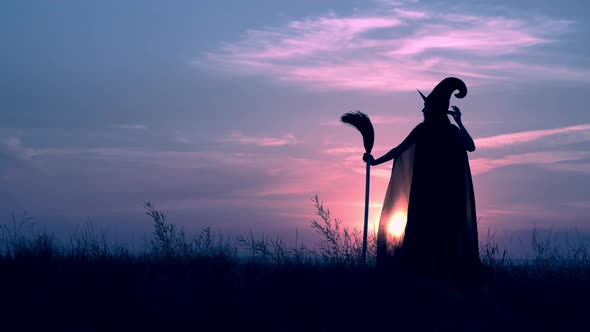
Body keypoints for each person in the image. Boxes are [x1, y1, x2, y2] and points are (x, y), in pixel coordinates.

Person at [364, 77, 481, 279]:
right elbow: (399, 149)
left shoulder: (435, 130)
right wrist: (375, 162)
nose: (422, 111)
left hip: (430, 195)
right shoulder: (436, 130)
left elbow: (470, 146)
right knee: (436, 235)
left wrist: (459, 122)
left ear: (433, 109)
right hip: (436, 195)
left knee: (430, 235)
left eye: (425, 106)